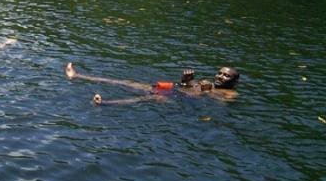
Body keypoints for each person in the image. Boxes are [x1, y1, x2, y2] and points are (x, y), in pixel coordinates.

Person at [64, 62, 239, 105]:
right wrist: (186, 81)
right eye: (220, 73)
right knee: (126, 82)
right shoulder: (207, 81)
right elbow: (188, 87)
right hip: (173, 88)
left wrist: (209, 92)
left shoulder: (231, 94)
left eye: (227, 76)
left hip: (176, 96)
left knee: (142, 99)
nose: (221, 77)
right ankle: (78, 75)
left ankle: (105, 103)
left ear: (234, 81)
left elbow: (221, 102)